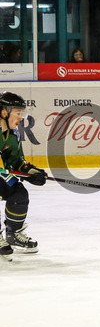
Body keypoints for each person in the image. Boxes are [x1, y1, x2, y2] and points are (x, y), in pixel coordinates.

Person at [0, 92, 47, 261]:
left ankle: (13, 233)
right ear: (4, 112)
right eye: (17, 113)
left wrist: (30, 172)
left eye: (22, 114)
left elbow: (15, 162)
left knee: (19, 194)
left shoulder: (14, 135)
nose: (21, 118)